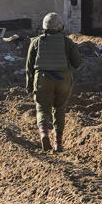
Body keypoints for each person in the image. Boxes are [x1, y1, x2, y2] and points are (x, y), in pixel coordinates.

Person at [24, 12, 83, 151]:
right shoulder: (67, 41)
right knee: (60, 108)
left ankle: (44, 133)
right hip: (63, 79)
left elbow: (29, 66)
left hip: (42, 79)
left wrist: (29, 86)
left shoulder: (36, 41)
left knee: (42, 108)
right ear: (60, 26)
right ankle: (58, 142)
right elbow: (77, 63)